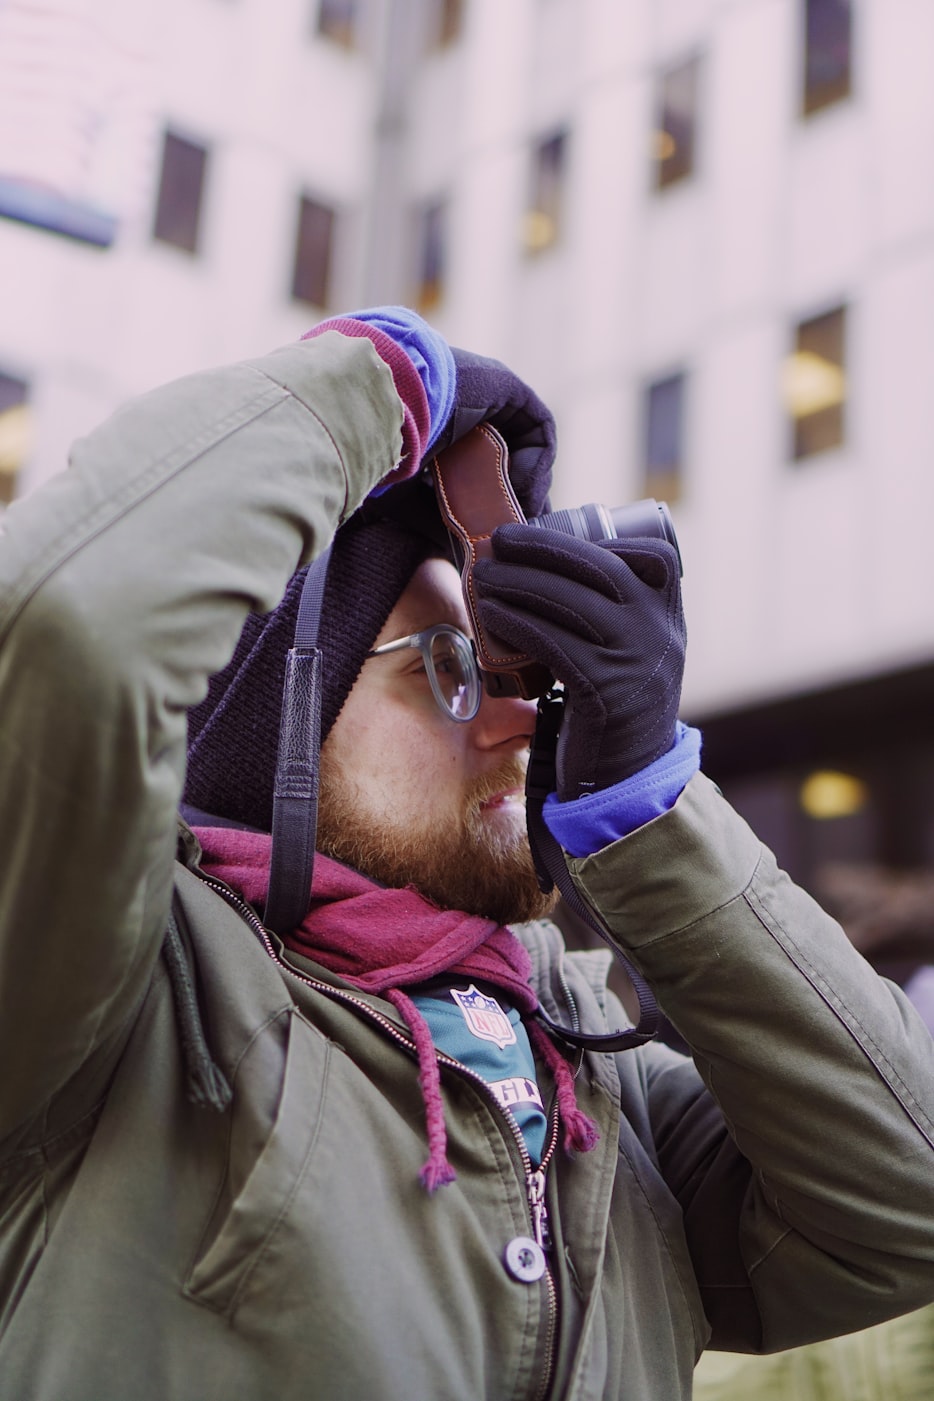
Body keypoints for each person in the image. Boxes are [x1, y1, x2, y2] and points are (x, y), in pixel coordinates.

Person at [1, 307, 933, 1401]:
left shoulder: (590, 1061)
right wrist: (378, 386)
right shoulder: (117, 990)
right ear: (271, 726)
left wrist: (648, 804)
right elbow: (72, 627)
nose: (515, 722)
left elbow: (902, 1203)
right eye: (447, 666)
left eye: (510, 678)